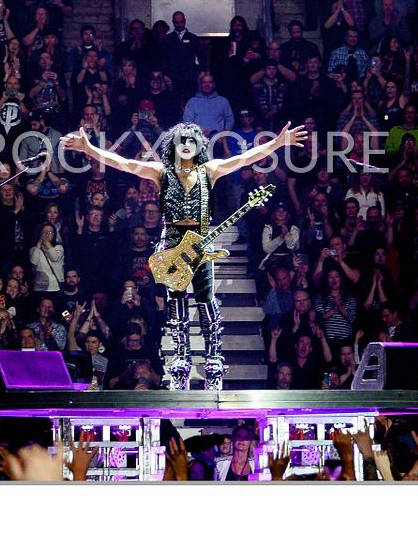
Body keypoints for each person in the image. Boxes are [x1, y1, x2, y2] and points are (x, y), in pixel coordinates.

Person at [63, 120, 308, 390]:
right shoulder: (161, 171)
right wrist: (90, 149)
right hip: (173, 242)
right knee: (177, 300)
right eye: (182, 141)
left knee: (205, 298)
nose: (187, 145)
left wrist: (277, 143)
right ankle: (181, 357)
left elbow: (244, 158)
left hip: (201, 242)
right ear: (174, 146)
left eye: (192, 141)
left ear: (199, 146)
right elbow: (123, 163)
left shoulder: (209, 170)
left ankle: (213, 355)